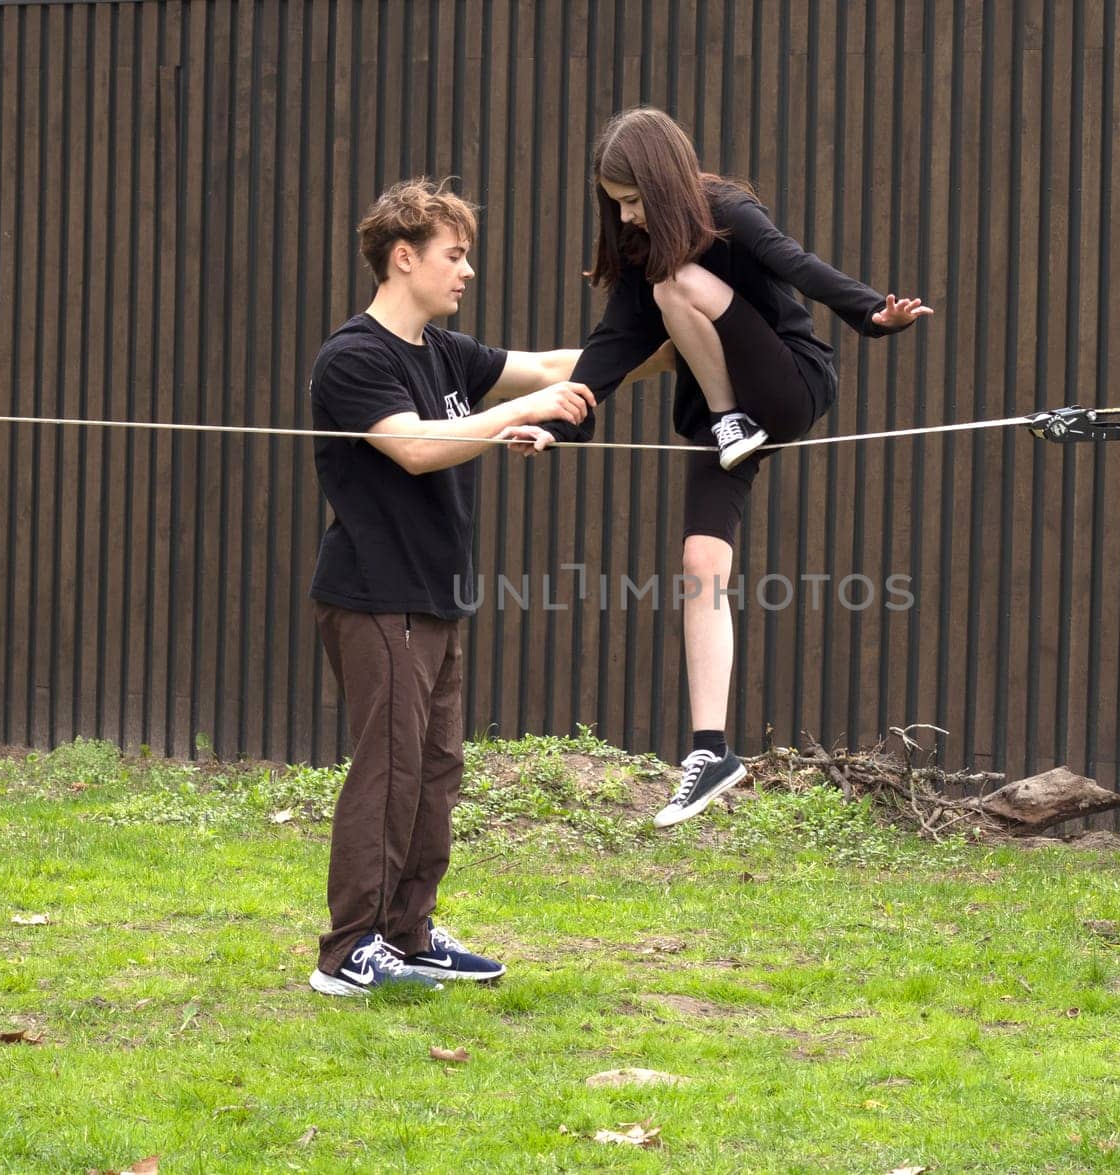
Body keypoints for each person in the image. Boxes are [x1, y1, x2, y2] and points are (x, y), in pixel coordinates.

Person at [531, 107, 932, 829]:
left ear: (663, 179)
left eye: (633, 199)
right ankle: (710, 750)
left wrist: (873, 312)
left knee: (673, 284)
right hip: (727, 428)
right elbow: (612, 345)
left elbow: (796, 265)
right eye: (614, 203)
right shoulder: (636, 245)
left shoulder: (726, 211)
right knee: (700, 562)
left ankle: (726, 415)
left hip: (784, 384)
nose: (626, 216)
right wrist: (561, 419)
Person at [307, 177, 615, 996]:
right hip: (376, 597)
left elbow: (554, 364)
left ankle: (407, 932)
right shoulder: (355, 356)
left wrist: (684, 337)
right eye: (455, 254)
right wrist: (523, 412)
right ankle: (348, 951)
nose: (467, 270)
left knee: (436, 768)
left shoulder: (446, 355)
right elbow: (411, 447)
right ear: (403, 258)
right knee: (392, 768)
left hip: (435, 599)